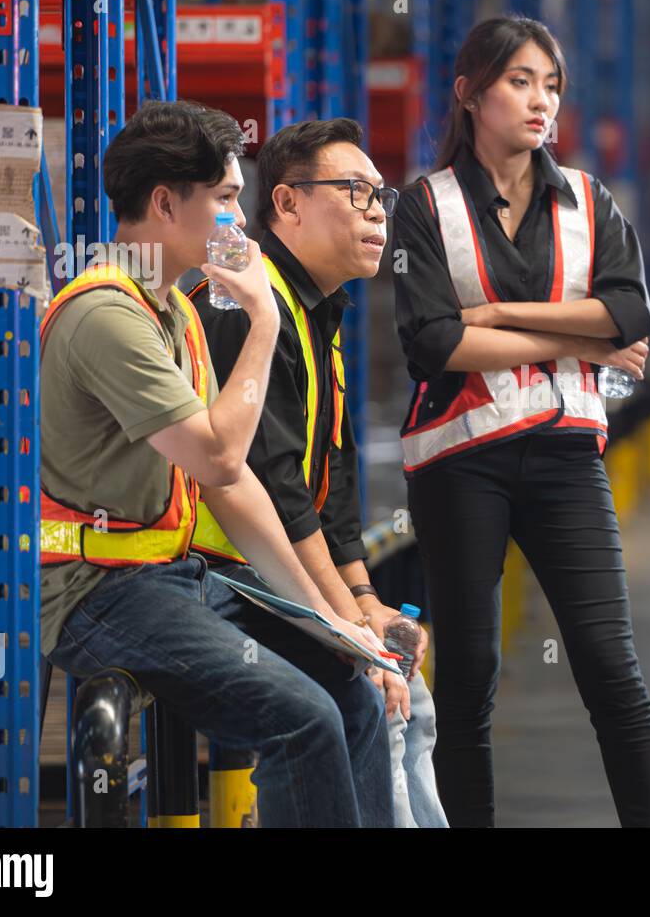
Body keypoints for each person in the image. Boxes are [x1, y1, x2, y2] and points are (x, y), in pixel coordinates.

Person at [39, 100, 393, 827]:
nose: (239, 221)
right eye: (227, 200)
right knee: (302, 718)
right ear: (167, 204)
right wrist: (263, 318)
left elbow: (229, 486)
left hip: (172, 581)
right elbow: (222, 451)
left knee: (349, 691)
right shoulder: (107, 316)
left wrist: (331, 620)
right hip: (95, 594)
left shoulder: (168, 309)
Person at [387, 16, 650, 826]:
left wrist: (501, 312)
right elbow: (435, 343)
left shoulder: (586, 198)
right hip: (459, 463)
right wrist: (575, 335)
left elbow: (629, 312)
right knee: (470, 678)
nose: (541, 100)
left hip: (565, 459)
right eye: (520, 81)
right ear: (469, 93)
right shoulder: (423, 206)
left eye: (552, 84)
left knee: (612, 669)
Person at [188, 118, 448, 828]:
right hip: (215, 575)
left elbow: (330, 488)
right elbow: (276, 490)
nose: (375, 210)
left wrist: (367, 606)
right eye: (355, 190)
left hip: (264, 576)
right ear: (288, 203)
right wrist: (344, 629)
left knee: (405, 696)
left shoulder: (317, 318)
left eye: (380, 194)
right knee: (354, 699)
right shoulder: (245, 304)